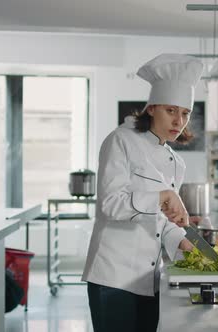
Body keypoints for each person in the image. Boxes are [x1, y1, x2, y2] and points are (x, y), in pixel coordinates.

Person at [81, 53, 204, 332]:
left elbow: (161, 221)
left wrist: (184, 242)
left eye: (184, 113)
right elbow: (111, 205)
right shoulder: (120, 141)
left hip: (149, 278)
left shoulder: (176, 162)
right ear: (152, 108)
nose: (178, 121)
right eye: (170, 111)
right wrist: (162, 196)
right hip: (113, 276)